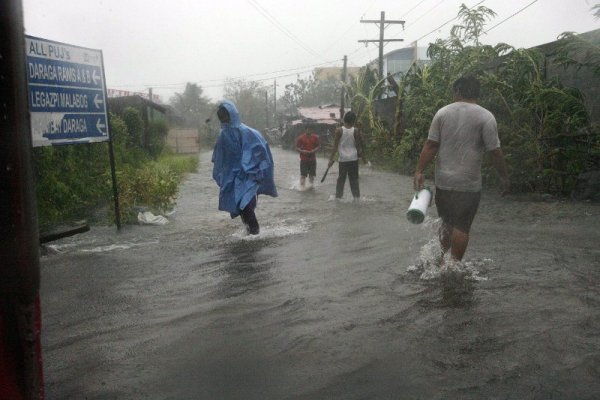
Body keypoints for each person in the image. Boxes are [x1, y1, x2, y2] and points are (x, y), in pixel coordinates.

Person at [413, 75, 510, 261]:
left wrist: (419, 170)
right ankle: (454, 266)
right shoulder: (486, 116)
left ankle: (441, 260)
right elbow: (495, 151)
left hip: (444, 181)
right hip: (469, 183)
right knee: (462, 226)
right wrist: (504, 176)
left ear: (457, 91)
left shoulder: (442, 113)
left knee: (447, 223)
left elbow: (431, 145)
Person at [211, 100, 278, 235]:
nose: (224, 119)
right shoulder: (223, 135)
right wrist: (223, 175)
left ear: (232, 114)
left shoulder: (247, 132)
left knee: (246, 205)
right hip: (234, 178)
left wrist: (251, 168)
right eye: (222, 116)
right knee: (241, 207)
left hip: (249, 176)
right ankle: (250, 234)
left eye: (226, 115)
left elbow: (261, 150)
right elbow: (219, 157)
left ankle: (255, 235)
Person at [327, 111, 368, 200]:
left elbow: (335, 147)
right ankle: (356, 198)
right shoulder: (356, 130)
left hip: (343, 160)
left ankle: (338, 198)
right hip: (353, 159)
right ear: (354, 121)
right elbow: (358, 147)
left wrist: (330, 160)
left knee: (341, 180)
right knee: (354, 180)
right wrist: (365, 160)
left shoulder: (339, 130)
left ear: (344, 119)